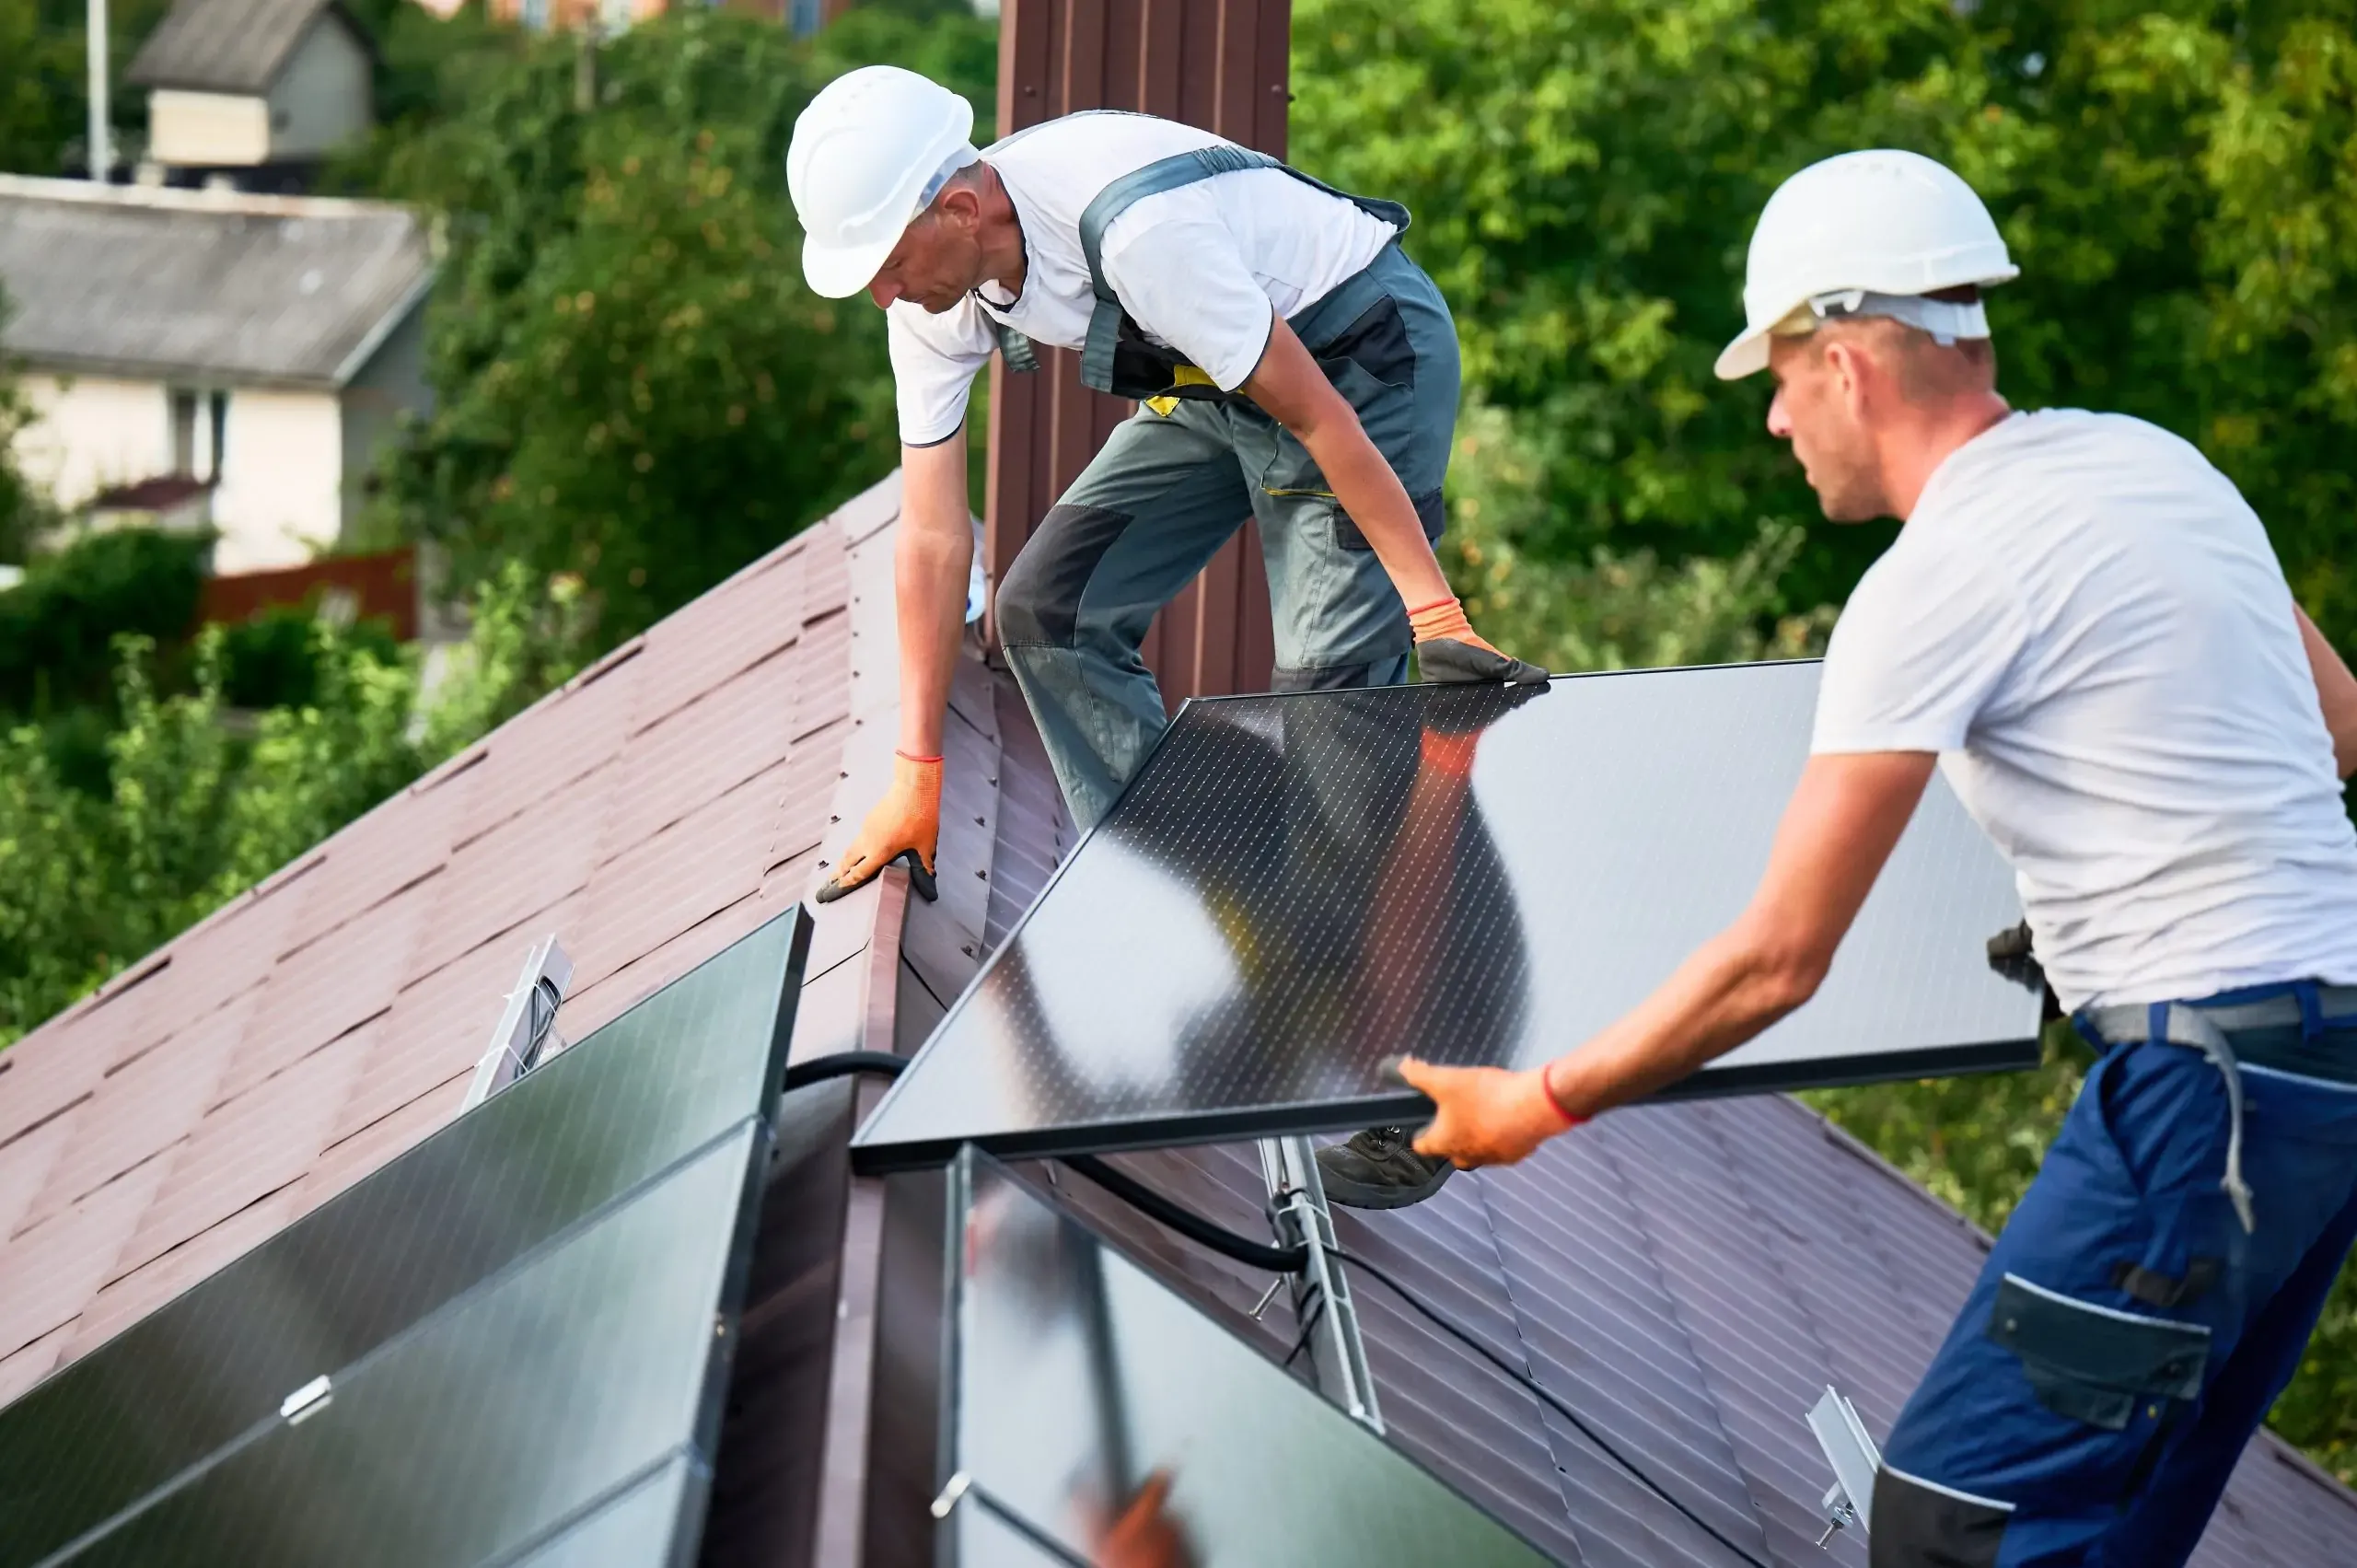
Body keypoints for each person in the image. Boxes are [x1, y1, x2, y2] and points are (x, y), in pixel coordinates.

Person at [1395, 148, 2357, 1566]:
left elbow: (1780, 956)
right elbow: (2335, 729)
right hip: (2324, 1085)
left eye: (1779, 378)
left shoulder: (1936, 577)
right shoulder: (2155, 463)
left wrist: (1537, 1099)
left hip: (2193, 1095)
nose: (1778, 420)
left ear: (1847, 362)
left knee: (1953, 1520)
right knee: (2122, 1522)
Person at [786, 64, 1541, 1207]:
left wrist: (1431, 610)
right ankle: (1255, 908)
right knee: (1050, 612)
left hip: (1356, 362)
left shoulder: (1136, 234)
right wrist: (915, 771)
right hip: (1216, 382)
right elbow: (933, 539)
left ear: (959, 207)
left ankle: (1410, 1099)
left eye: (888, 264)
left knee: (1333, 696)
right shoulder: (940, 300)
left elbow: (1317, 416)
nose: (885, 295)